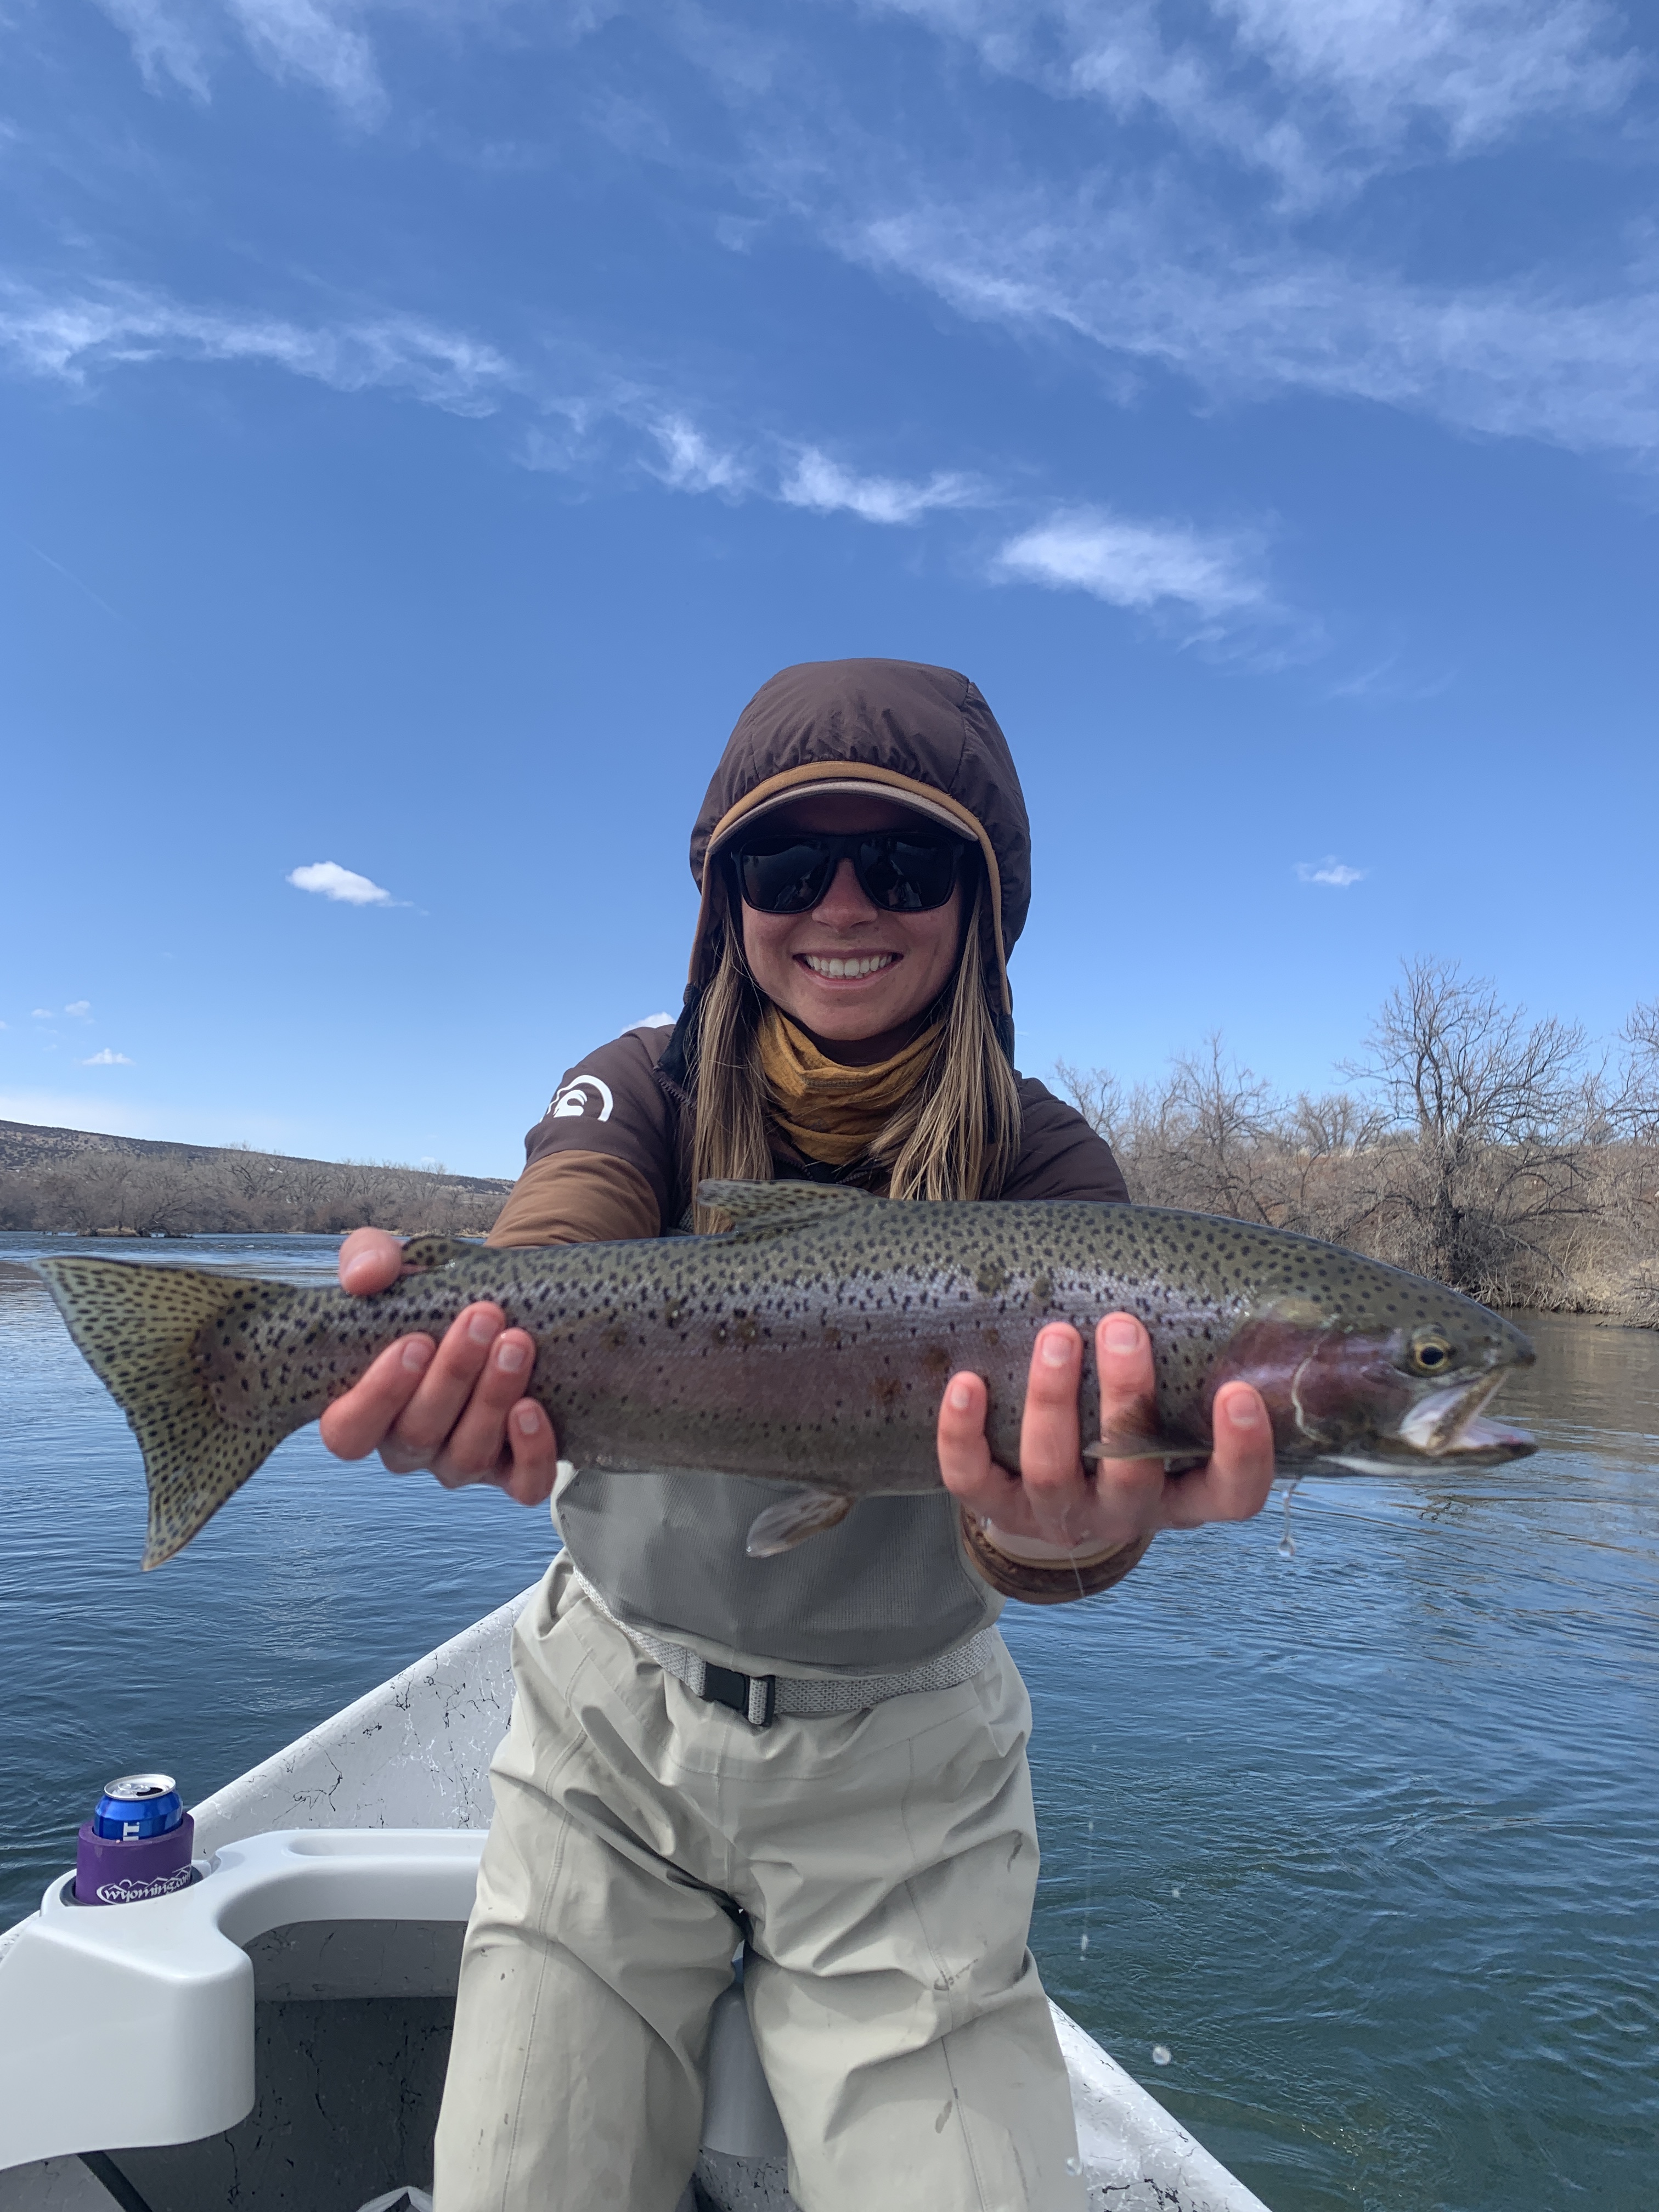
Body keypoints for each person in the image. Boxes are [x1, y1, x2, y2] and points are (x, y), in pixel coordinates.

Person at [321, 659, 1274, 2212]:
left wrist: (1066, 1533)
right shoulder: (637, 1081)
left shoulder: (1053, 1166)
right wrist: (475, 1354)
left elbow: (1054, 1533)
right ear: (726, 899)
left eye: (899, 864)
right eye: (786, 863)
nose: (841, 904)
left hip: (912, 1777)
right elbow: (562, 1233)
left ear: (977, 903)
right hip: (602, 1742)